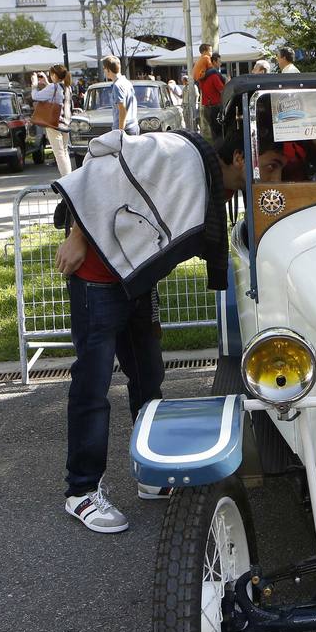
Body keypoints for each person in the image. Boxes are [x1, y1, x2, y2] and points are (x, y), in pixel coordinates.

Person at [54, 128, 232, 533]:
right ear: (238, 159)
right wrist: (79, 233)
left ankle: (150, 474)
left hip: (135, 282)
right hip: (96, 280)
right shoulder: (180, 154)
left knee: (149, 377)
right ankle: (81, 492)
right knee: (93, 386)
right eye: (266, 168)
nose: (266, 178)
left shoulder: (198, 171)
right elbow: (104, 162)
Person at [31, 64, 73, 176]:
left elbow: (36, 96)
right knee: (64, 152)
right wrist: (46, 82)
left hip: (53, 124)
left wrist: (34, 85)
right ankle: (69, 177)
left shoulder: (53, 87)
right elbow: (56, 93)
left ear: (54, 75)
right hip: (65, 124)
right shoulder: (67, 87)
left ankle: (66, 180)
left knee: (59, 154)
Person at [102, 55, 138, 135]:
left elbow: (122, 109)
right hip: (132, 126)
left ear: (108, 70)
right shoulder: (126, 82)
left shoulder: (117, 85)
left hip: (125, 129)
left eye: (104, 68)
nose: (103, 71)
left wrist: (120, 132)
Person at [199, 51, 225, 138]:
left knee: (213, 132)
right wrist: (228, 82)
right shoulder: (214, 76)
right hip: (214, 107)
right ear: (214, 62)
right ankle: (217, 150)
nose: (220, 64)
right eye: (219, 62)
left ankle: (215, 148)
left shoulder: (203, 77)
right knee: (219, 133)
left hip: (206, 107)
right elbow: (222, 90)